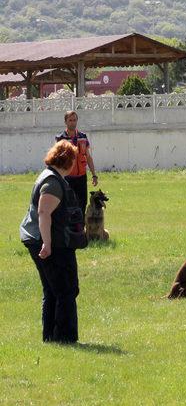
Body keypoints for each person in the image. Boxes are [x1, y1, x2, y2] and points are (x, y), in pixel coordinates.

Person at [19, 140, 82, 343]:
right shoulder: (53, 182)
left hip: (46, 240)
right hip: (49, 242)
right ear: (67, 160)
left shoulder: (50, 176)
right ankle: (64, 338)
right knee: (65, 290)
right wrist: (46, 243)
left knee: (53, 290)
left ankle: (51, 337)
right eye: (73, 158)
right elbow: (44, 213)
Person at [55, 110, 98, 217]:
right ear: (65, 122)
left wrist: (94, 175)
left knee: (82, 204)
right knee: (68, 205)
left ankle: (80, 231)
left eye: (74, 120)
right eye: (70, 120)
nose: (73, 123)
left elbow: (88, 157)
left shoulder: (83, 137)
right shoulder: (61, 138)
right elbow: (56, 160)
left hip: (82, 177)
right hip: (67, 178)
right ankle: (70, 231)